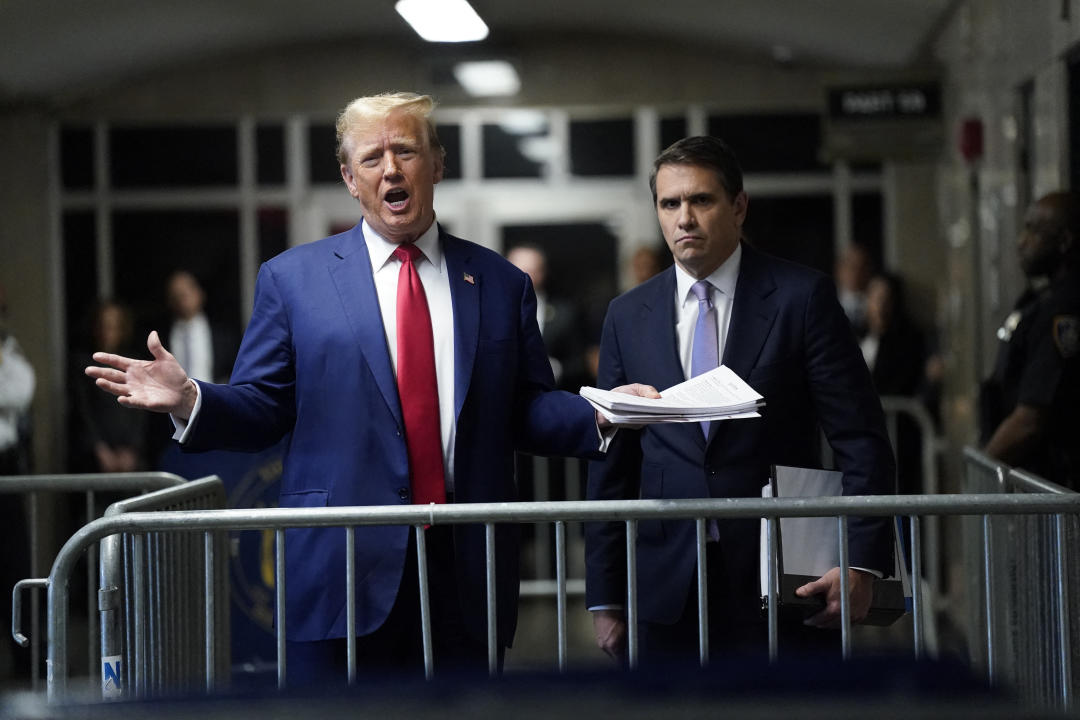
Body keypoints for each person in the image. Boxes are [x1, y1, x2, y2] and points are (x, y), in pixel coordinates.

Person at [87, 92, 632, 682]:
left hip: (465, 570)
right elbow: (264, 405)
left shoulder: (500, 283)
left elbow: (524, 407)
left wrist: (602, 414)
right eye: (372, 158)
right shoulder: (293, 280)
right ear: (349, 178)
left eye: (406, 151)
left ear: (438, 165)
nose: (391, 169)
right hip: (339, 569)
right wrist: (195, 398)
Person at [585, 136, 895, 665]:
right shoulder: (627, 315)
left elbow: (860, 438)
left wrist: (861, 562)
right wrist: (606, 594)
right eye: (669, 203)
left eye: (700, 200)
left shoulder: (802, 298)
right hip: (666, 581)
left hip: (783, 574)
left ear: (739, 206)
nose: (684, 218)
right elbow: (611, 462)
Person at [981, 191, 1080, 489]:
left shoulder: (1066, 309)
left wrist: (982, 472)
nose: (1021, 241)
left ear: (1063, 242)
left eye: (1035, 231)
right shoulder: (1037, 301)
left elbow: (1029, 420)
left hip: (1057, 480)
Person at [70, 301, 148, 473]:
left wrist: (132, 449)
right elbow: (82, 410)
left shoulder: (133, 363)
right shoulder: (83, 364)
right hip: (95, 454)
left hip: (129, 452)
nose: (107, 332)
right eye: (103, 326)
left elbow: (140, 410)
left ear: (122, 329)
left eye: (113, 327)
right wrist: (99, 449)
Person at [506, 244, 586, 390]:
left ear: (543, 273)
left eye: (531, 270)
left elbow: (579, 362)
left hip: (550, 397)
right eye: (517, 269)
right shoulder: (491, 309)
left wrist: (557, 368)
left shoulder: (564, 313)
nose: (525, 276)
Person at [165, 270, 237, 384]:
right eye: (176, 295)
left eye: (186, 292)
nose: (182, 300)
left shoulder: (222, 335)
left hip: (214, 398)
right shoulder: (160, 337)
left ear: (200, 293)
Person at [834, 242, 874, 338]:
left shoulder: (878, 303)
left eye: (862, 267)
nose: (856, 273)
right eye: (851, 267)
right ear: (839, 269)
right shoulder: (826, 301)